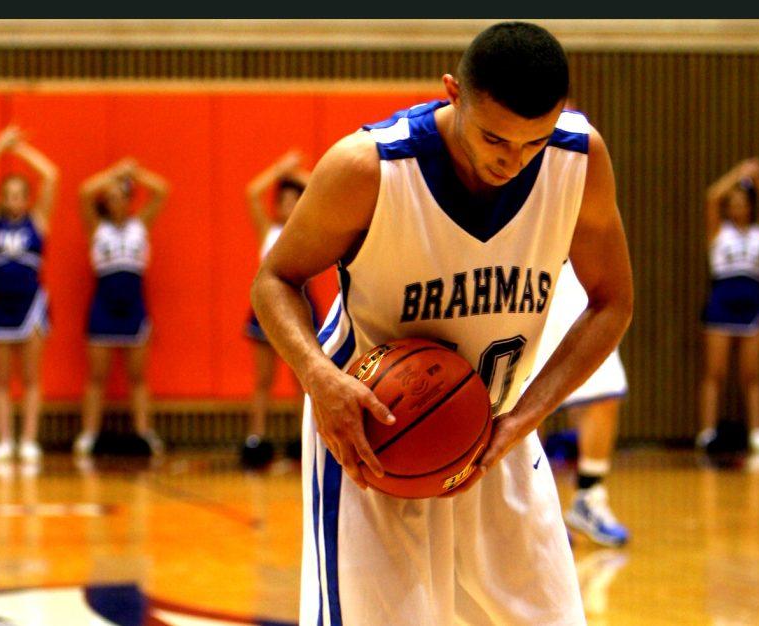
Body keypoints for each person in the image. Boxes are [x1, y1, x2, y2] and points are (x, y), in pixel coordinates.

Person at [251, 21, 633, 626]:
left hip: (498, 429)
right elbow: (274, 280)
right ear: (453, 92)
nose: (513, 160)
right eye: (494, 138)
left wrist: (525, 418)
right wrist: (317, 378)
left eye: (532, 143)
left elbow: (612, 301)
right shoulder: (368, 168)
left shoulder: (578, 160)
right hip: (370, 435)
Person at [523, 260, 631, 548]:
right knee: (522, 394)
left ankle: (589, 498)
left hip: (572, 267)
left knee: (605, 387)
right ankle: (533, 507)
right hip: (519, 262)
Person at [0, 125, 59, 463]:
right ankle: (5, 440)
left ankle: (29, 439)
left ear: (28, 198)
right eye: (9, 194)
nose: (14, 200)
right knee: (1, 379)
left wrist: (20, 151)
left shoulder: (38, 220)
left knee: (32, 376)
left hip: (31, 303)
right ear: (1, 198)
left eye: (21, 194)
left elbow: (51, 175)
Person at [75, 157, 170, 458]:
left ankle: (144, 433)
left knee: (138, 377)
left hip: (134, 305)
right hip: (103, 304)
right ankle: (89, 434)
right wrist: (114, 174)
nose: (117, 202)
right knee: (96, 376)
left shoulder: (140, 225)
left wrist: (136, 173)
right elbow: (83, 192)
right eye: (112, 197)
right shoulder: (96, 227)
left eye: (122, 196)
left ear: (129, 199)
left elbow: (162, 190)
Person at [696, 158, 759, 454]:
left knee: (751, 374)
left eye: (742, 203)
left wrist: (757, 180)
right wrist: (738, 173)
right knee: (715, 372)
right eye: (732, 203)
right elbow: (711, 196)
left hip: (752, 305)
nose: (736, 208)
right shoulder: (719, 232)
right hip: (721, 303)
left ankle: (757, 433)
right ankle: (707, 433)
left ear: (749, 206)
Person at [241, 150, 312, 469]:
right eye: (283, 200)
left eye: (294, 200)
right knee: (263, 378)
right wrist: (279, 169)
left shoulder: (308, 228)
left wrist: (298, 177)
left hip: (301, 302)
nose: (288, 205)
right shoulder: (267, 230)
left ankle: (305, 439)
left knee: (303, 376)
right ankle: (256, 438)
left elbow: (320, 188)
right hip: (268, 305)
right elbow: (252, 193)